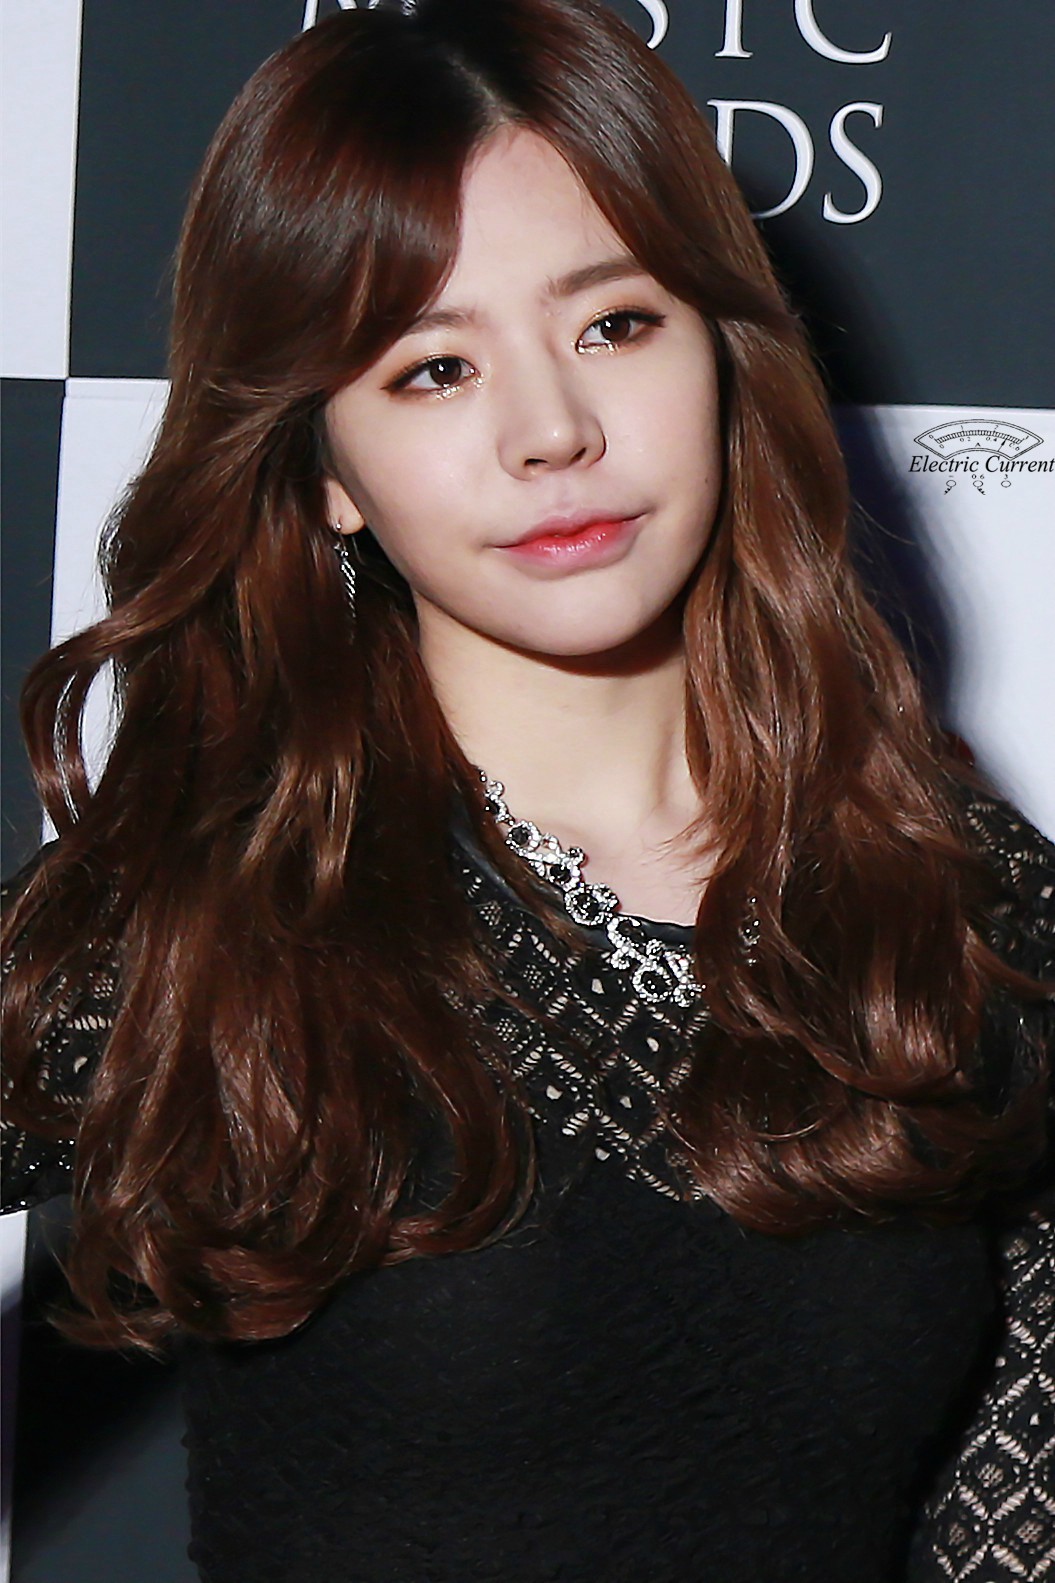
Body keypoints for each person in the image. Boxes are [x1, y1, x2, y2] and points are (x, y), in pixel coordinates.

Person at [2, 1, 1052, 1579]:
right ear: (327, 471)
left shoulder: (961, 898)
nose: (552, 430)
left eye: (615, 325)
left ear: (723, 355)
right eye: (432, 369)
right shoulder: (207, 915)